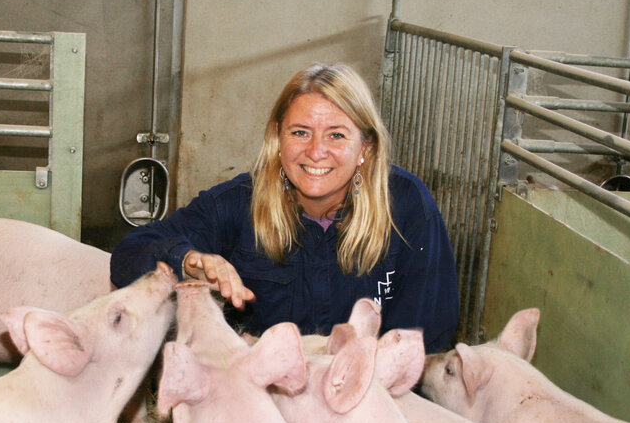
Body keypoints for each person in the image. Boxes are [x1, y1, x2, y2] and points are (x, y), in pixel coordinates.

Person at [111, 62, 459, 353]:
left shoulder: (406, 204)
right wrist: (188, 260)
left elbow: (425, 334)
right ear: (278, 138)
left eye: (337, 135)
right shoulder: (237, 204)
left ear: (365, 146)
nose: (317, 151)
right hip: (266, 397)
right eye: (300, 132)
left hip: (365, 394)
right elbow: (129, 253)